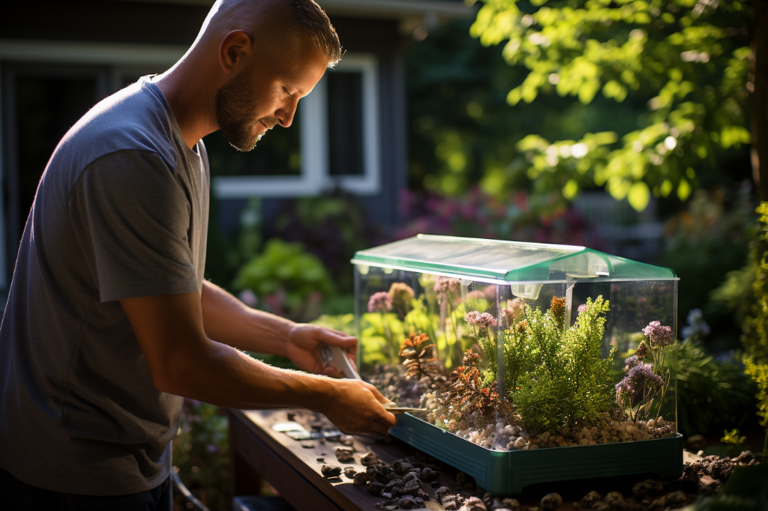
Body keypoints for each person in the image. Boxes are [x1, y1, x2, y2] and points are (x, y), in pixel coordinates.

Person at [0, 0, 397, 508]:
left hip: (117, 462)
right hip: (72, 475)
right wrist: (325, 396)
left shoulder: (182, 144)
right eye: (287, 91)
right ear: (234, 51)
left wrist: (287, 336)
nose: (288, 117)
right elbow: (180, 363)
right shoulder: (133, 154)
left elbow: (167, 288)